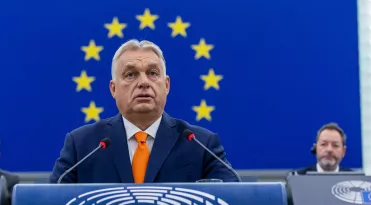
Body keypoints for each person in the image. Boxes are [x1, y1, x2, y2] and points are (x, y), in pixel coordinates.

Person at [50, 39, 239, 184]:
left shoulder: (200, 144)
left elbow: (237, 203)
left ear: (166, 85)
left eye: (153, 73)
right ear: (113, 89)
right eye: (131, 74)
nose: (143, 82)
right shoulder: (83, 146)